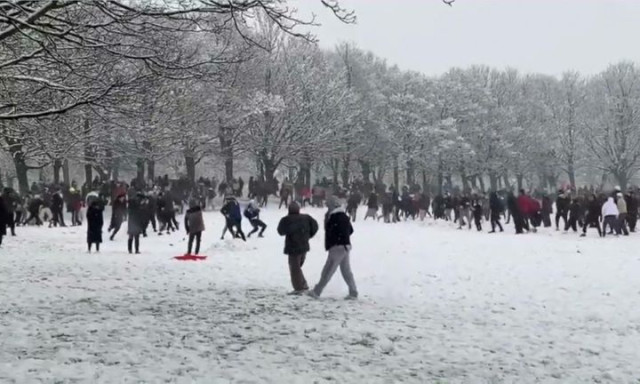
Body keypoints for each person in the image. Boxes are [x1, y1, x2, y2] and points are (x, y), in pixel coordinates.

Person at [309, 197, 358, 300]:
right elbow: (351, 230)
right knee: (346, 270)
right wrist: (344, 238)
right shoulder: (343, 216)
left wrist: (335, 239)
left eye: (328, 205)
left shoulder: (334, 217)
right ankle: (353, 291)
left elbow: (330, 230)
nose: (327, 208)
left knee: (328, 269)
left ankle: (317, 291)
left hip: (337, 246)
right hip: (345, 246)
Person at [277, 202, 319, 294]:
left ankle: (299, 288)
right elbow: (315, 227)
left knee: (294, 268)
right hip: (304, 246)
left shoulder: (286, 220)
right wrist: (308, 236)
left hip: (293, 247)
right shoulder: (307, 218)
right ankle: (303, 284)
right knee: (297, 267)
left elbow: (280, 231)